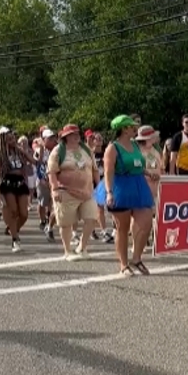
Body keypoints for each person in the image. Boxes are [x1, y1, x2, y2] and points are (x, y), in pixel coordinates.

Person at [102, 115, 155, 276]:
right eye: (132, 126)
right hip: (121, 187)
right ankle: (123, 264)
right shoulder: (113, 148)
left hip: (139, 185)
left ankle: (136, 258)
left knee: (146, 223)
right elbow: (108, 172)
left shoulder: (135, 145)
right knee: (122, 228)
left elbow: (137, 164)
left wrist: (148, 172)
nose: (135, 128)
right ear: (124, 129)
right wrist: (109, 193)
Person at [47, 124, 98, 261]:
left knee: (92, 218)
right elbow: (52, 172)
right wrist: (55, 189)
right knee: (66, 223)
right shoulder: (58, 151)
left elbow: (94, 169)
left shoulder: (86, 149)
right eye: (73, 134)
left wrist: (98, 185)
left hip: (86, 192)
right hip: (66, 191)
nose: (77, 136)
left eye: (77, 133)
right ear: (66, 137)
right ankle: (67, 251)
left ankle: (82, 247)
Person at [0, 127, 34, 252]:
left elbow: (33, 161)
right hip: (8, 183)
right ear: (3, 141)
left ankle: (13, 228)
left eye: (13, 138)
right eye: (9, 139)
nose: (12, 140)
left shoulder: (19, 152)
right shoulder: (0, 154)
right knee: (13, 211)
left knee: (24, 214)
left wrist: (23, 151)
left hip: (20, 183)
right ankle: (15, 239)